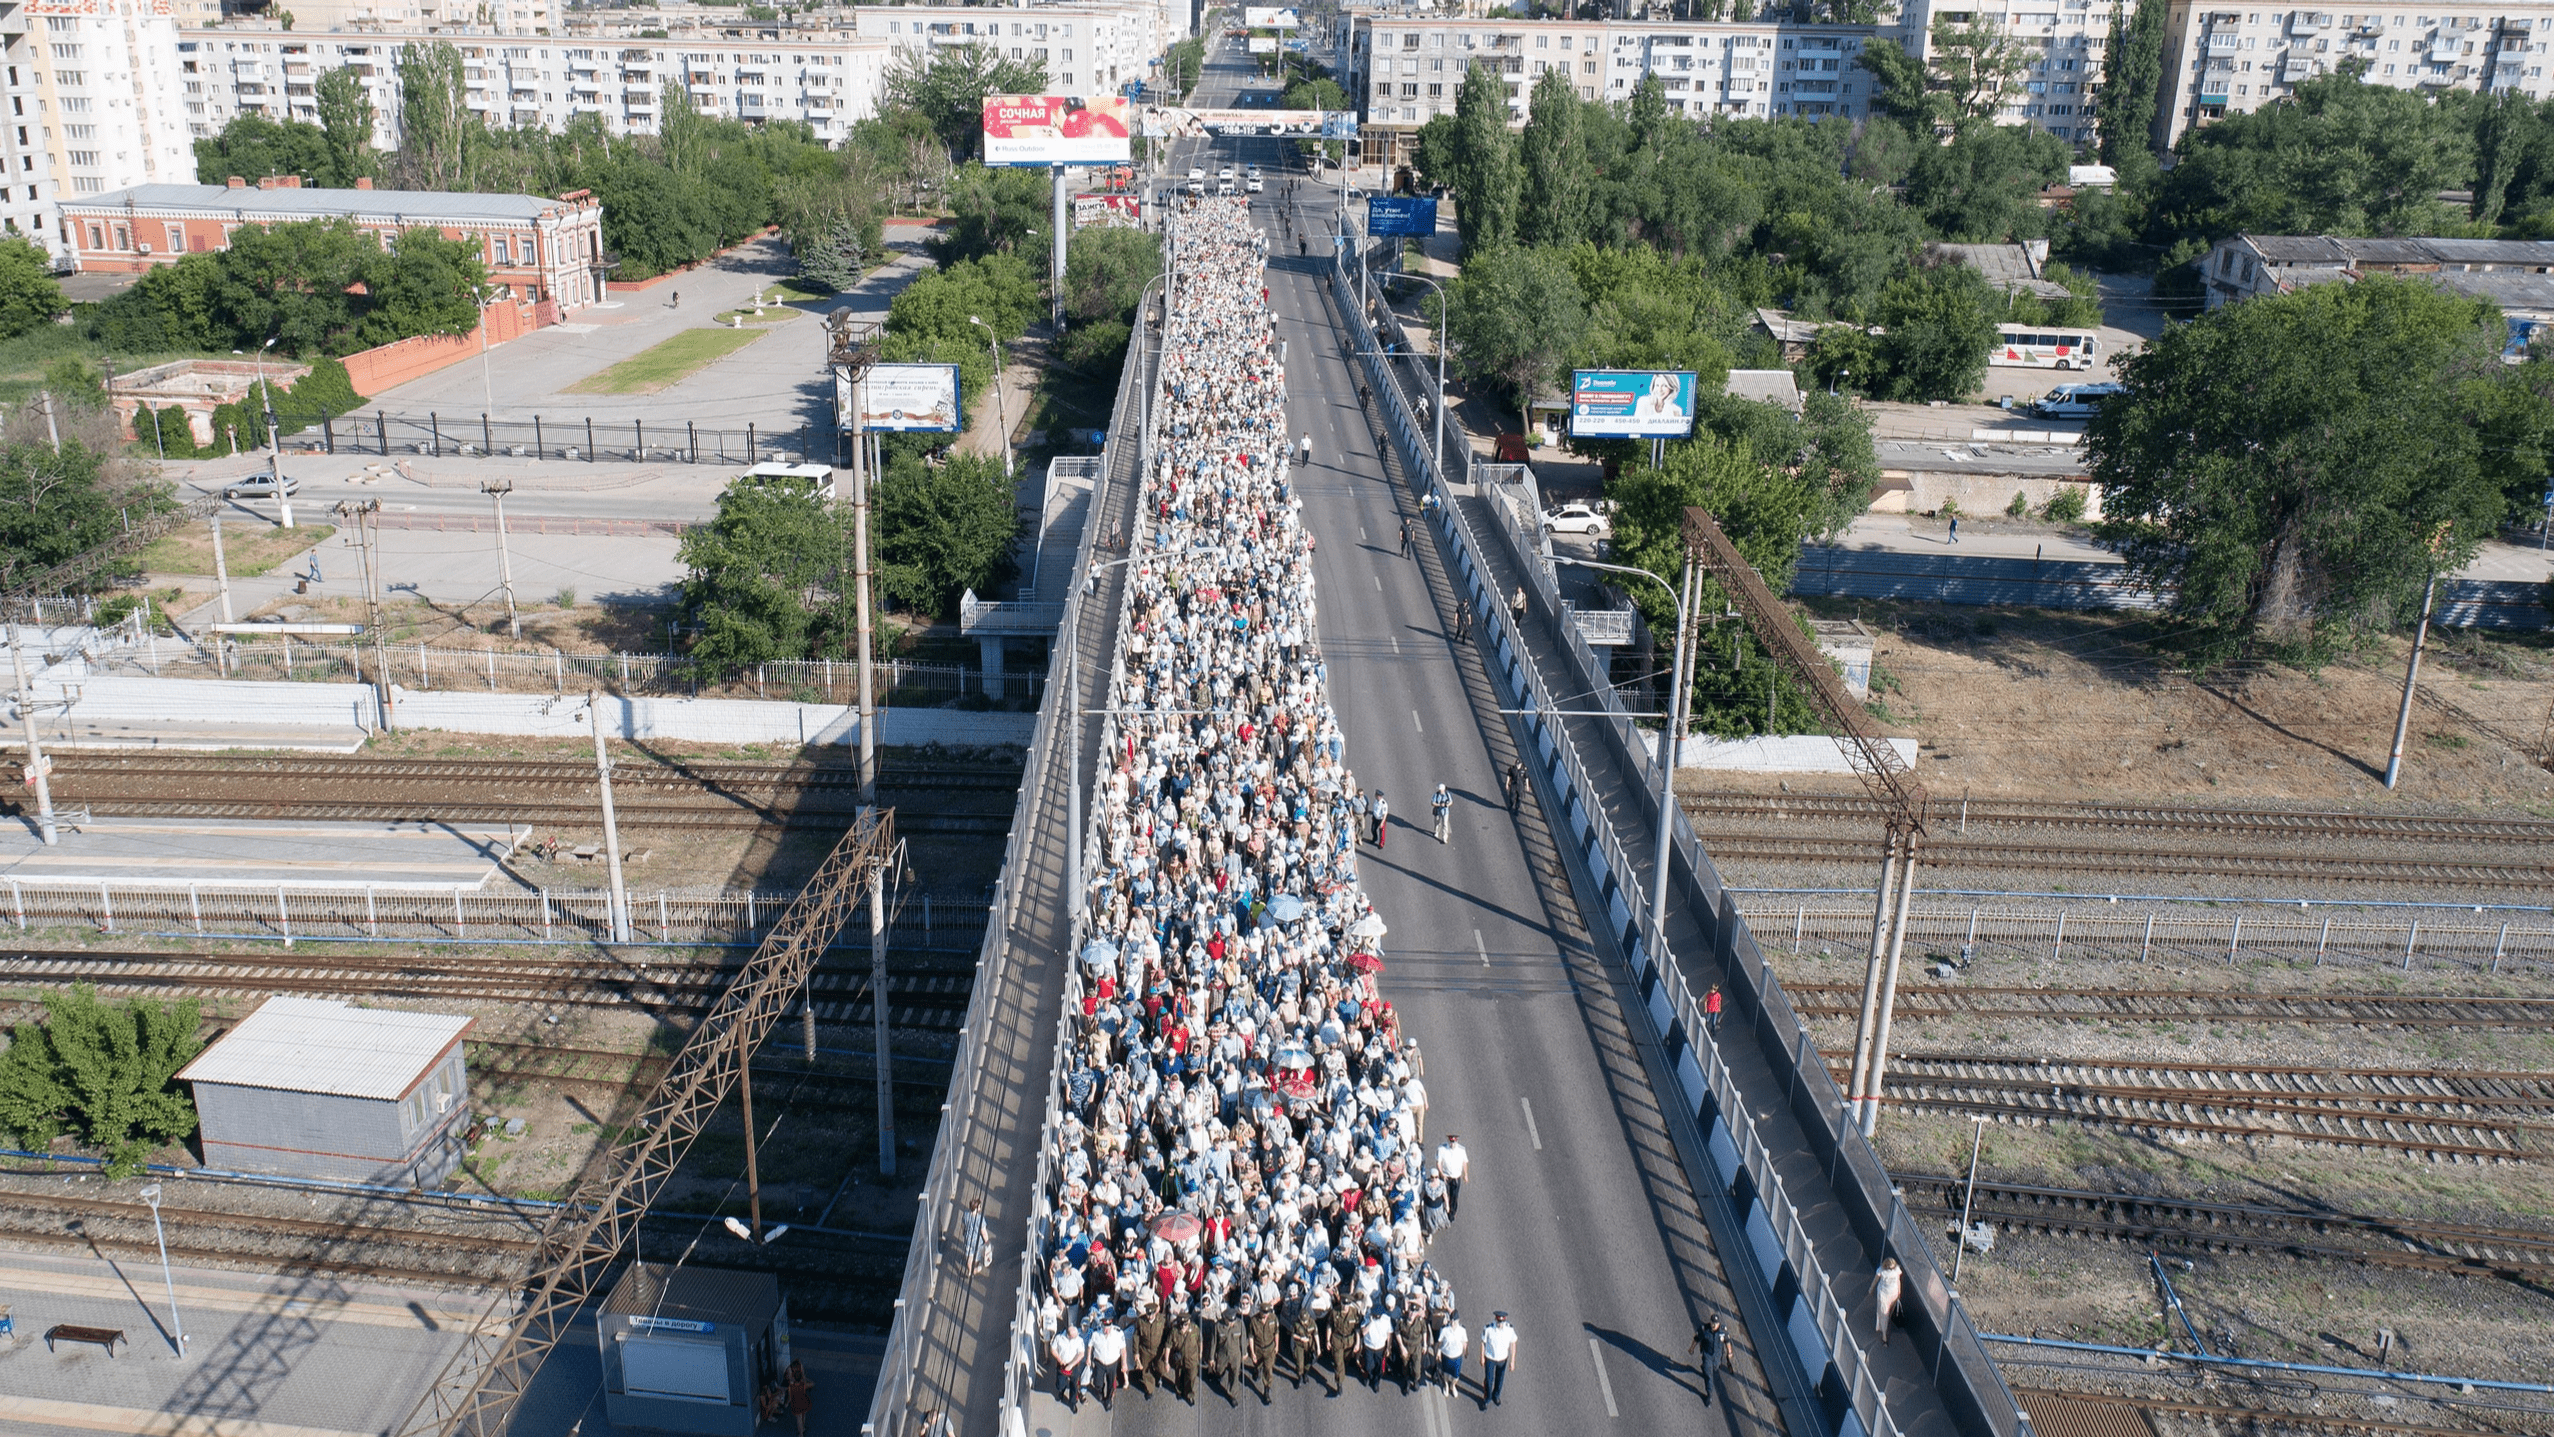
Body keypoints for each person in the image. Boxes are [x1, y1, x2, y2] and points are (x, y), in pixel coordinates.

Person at [1691, 1317, 1732, 1407]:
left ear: (1718, 1324)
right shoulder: (1705, 1330)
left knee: (1714, 1368)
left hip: (1717, 1357)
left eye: (1715, 1323)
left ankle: (1705, 1369)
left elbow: (1728, 1341)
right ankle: (1709, 1395)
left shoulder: (1722, 1331)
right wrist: (1691, 1348)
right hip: (1707, 1355)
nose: (1713, 1325)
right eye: (1712, 1323)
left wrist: (1730, 1352)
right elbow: (1696, 1339)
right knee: (1708, 1373)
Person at [1479, 1311, 1517, 1407]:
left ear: (1505, 1321)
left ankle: (1496, 1395)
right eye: (1498, 1322)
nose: (1500, 1325)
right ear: (1495, 1320)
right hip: (1490, 1357)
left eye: (1502, 1323)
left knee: (1500, 1379)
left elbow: (1513, 1344)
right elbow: (1483, 1343)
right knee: (1489, 1379)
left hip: (1503, 1358)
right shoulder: (1488, 1328)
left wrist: (1512, 1361)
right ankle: (1487, 1398)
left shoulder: (1509, 1329)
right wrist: (1482, 1357)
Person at [1089, 1317, 1128, 1405]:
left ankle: (1109, 1399)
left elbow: (1123, 1350)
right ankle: (1100, 1393)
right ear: (1102, 1326)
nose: (1106, 1331)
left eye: (1108, 1329)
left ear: (1111, 1326)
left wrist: (1124, 1363)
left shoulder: (1118, 1333)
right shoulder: (1096, 1333)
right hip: (1099, 1362)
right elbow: (1090, 1345)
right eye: (1105, 1329)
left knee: (1111, 1383)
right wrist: (1088, 1358)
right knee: (1097, 1382)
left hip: (1112, 1363)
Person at [1051, 1324, 1087, 1410]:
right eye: (1074, 1337)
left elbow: (1081, 1354)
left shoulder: (1079, 1340)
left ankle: (1072, 1402)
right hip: (1062, 1364)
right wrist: (1060, 1360)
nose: (1076, 1337)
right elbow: (1053, 1349)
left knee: (1074, 1385)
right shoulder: (1059, 1338)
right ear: (1068, 1335)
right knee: (1060, 1384)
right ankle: (1061, 1391)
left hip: (1074, 1365)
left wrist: (1071, 1365)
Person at [1437, 1311, 1469, 1398]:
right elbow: (1440, 1342)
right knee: (1446, 1374)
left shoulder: (1462, 1330)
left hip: (1457, 1356)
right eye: (1451, 1321)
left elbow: (1465, 1341)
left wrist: (1466, 1351)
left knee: (1456, 1376)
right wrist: (1438, 1352)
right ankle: (1446, 1385)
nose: (1453, 1323)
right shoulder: (1444, 1330)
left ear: (1458, 1321)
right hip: (1446, 1355)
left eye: (1455, 1321)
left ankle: (1453, 1386)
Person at [1436, 1134, 1469, 1217]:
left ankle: (1452, 1213)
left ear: (1456, 1141)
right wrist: (1441, 1174)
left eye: (1454, 1142)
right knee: (1444, 1194)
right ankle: (1444, 1211)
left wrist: (1465, 1175)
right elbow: (1438, 1163)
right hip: (1445, 1176)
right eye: (1451, 1142)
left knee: (1454, 1196)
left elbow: (1464, 1162)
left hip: (1456, 1177)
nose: (1452, 1144)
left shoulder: (1461, 1150)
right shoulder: (1442, 1149)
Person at [1874, 1257, 1903, 1345]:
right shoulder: (1895, 1270)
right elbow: (1898, 1281)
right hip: (1891, 1294)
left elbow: (1876, 1280)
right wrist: (1899, 1293)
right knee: (1887, 1313)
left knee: (1884, 1314)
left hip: (1886, 1295)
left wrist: (1871, 1289)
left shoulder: (1882, 1271)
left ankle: (1884, 1334)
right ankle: (1884, 1334)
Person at [784, 1358, 814, 1436]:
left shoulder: (791, 1387)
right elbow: (812, 1384)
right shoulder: (803, 1385)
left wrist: (787, 1402)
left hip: (797, 1403)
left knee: (798, 1418)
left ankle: (801, 1434)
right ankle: (803, 1428)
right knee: (803, 1415)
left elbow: (790, 1396)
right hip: (804, 1400)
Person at [961, 1196, 990, 1275]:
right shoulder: (979, 1219)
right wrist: (987, 1242)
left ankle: (970, 1270)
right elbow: (983, 1232)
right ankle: (976, 1269)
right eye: (979, 1207)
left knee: (969, 1257)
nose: (980, 1208)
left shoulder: (965, 1215)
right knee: (976, 1256)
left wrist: (964, 1233)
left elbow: (963, 1226)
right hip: (977, 1242)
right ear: (976, 1209)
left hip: (968, 1240)